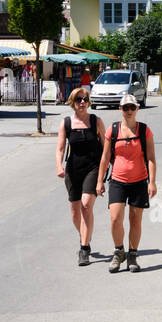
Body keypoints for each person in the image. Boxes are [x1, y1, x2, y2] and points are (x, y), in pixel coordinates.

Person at [96, 93, 156, 274]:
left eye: (132, 107)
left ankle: (132, 255)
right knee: (115, 218)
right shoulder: (112, 130)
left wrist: (152, 182)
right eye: (125, 108)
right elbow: (105, 157)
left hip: (139, 181)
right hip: (118, 180)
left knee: (135, 219)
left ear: (137, 109)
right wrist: (99, 180)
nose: (129, 111)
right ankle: (118, 251)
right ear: (120, 109)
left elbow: (151, 158)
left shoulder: (144, 130)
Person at [55, 86, 106, 266]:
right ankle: (86, 235)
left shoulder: (96, 121)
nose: (82, 102)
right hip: (73, 171)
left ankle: (84, 249)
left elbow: (106, 148)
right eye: (79, 100)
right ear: (73, 103)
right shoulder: (66, 123)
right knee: (75, 213)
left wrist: (109, 169)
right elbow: (60, 148)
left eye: (85, 99)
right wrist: (59, 165)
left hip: (93, 168)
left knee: (86, 205)